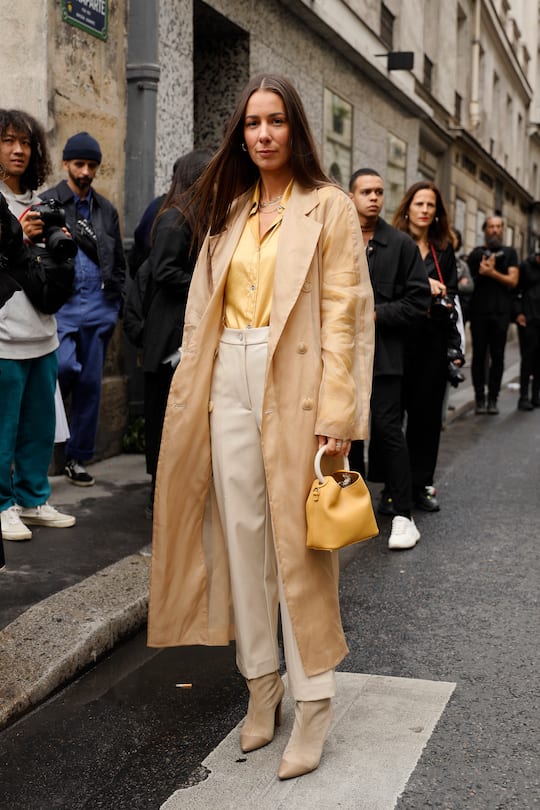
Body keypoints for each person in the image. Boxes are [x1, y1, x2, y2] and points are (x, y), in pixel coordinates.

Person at [147, 74, 374, 780]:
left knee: (297, 544)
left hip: (296, 382)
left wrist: (339, 416)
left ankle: (314, 702)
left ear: (294, 129)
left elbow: (347, 316)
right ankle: (261, 684)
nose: (264, 134)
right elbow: (199, 313)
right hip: (227, 380)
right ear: (239, 134)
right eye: (252, 123)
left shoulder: (329, 208)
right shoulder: (230, 209)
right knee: (239, 537)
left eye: (276, 121)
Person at [0, 109, 75, 542]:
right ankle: (2, 504)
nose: (18, 150)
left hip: (44, 334)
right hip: (4, 337)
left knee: (38, 429)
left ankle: (32, 499)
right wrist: (20, 238)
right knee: (2, 430)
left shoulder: (43, 202)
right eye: (8, 140)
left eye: (26, 142)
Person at [348, 168, 430, 550]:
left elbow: (418, 303)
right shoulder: (334, 240)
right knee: (345, 433)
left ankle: (404, 515)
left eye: (379, 191)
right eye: (366, 191)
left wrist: (376, 314)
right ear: (351, 196)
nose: (374, 198)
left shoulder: (400, 245)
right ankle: (352, 510)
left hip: (383, 358)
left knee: (387, 431)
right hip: (339, 356)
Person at [130, 149, 212, 518]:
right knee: (163, 417)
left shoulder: (198, 216)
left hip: (185, 331)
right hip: (168, 338)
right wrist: (209, 286)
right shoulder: (175, 219)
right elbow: (164, 271)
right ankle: (157, 495)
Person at [41, 133, 126, 485]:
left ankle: (77, 458)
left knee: (91, 383)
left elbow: (119, 258)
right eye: (80, 164)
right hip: (62, 306)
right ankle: (44, 451)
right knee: (61, 368)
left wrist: (116, 303)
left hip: (99, 306)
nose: (86, 171)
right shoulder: (49, 203)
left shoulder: (105, 210)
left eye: (91, 165)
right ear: (66, 165)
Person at [393, 181, 464, 512]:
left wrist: (455, 347)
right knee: (391, 420)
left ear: (437, 213)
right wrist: (424, 286)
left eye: (430, 206)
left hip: (432, 342)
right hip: (397, 341)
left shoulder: (444, 250)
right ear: (408, 206)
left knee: (425, 419)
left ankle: (421, 485)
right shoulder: (392, 243)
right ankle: (393, 488)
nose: (424, 210)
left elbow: (450, 296)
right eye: (419, 203)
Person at [466, 215, 519, 414]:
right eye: (491, 227)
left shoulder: (510, 253)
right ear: (485, 230)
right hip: (479, 312)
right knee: (479, 356)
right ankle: (479, 398)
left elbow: (513, 281)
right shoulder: (475, 254)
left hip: (501, 314)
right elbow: (467, 282)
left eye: (498, 227)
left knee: (498, 356)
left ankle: (493, 399)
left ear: (502, 229)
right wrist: (481, 272)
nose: (495, 230)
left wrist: (492, 273)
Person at [514, 249, 540, 410]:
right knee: (528, 358)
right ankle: (523, 396)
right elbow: (515, 291)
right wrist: (518, 313)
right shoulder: (525, 266)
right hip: (528, 320)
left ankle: (536, 396)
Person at [451, 226, 474, 325]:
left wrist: (452, 285)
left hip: (459, 308)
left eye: (454, 238)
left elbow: (469, 286)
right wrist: (458, 283)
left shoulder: (462, 265)